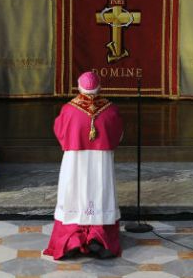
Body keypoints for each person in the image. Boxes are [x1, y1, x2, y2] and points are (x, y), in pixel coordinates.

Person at [43, 71, 124, 260]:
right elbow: (118, 135)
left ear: (79, 87)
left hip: (75, 163)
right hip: (100, 165)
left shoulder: (69, 109)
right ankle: (99, 239)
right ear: (99, 87)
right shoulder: (110, 110)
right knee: (100, 194)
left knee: (74, 193)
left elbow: (59, 131)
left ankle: (72, 240)